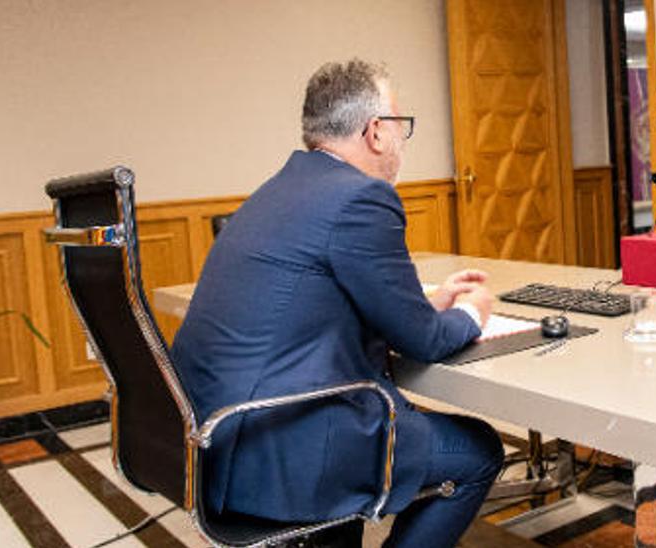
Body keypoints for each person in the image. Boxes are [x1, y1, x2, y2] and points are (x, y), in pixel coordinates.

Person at [170, 59, 503, 548]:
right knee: (478, 452)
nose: (401, 140)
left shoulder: (277, 190)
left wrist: (426, 303)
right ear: (375, 132)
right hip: (284, 443)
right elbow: (425, 342)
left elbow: (327, 302)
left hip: (215, 438)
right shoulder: (361, 198)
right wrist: (473, 311)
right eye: (400, 125)